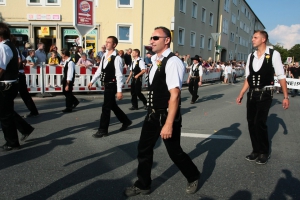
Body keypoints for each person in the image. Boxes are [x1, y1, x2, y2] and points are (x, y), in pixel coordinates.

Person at [124, 27, 200, 197]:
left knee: (174, 152)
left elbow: (175, 95)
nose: (151, 40)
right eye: (151, 37)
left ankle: (193, 175)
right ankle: (143, 184)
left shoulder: (173, 62)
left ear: (167, 40)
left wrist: (168, 124)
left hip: (166, 115)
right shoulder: (156, 59)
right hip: (152, 114)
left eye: (156, 37)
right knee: (143, 149)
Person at [236, 30, 289, 165]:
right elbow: (248, 78)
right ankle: (255, 150)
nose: (252, 39)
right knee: (251, 122)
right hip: (252, 93)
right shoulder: (251, 56)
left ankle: (264, 151)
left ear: (263, 39)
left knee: (260, 122)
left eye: (255, 37)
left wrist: (285, 96)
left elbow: (281, 76)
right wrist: (241, 93)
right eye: (253, 37)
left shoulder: (273, 54)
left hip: (266, 93)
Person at [88, 36, 132, 138]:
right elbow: (100, 70)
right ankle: (126, 121)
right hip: (106, 84)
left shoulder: (117, 58)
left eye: (109, 42)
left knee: (106, 107)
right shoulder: (104, 56)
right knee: (112, 105)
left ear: (114, 45)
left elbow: (119, 75)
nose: (106, 43)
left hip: (112, 85)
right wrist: (92, 81)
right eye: (106, 41)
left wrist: (119, 91)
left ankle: (103, 130)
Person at [0, 22, 34, 151]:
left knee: (5, 115)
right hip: (11, 83)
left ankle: (12, 142)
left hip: (5, 85)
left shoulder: (3, 47)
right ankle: (25, 129)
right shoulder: (10, 46)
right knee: (6, 112)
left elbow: (1, 69)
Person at [61, 48, 79, 113]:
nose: (61, 55)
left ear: (64, 55)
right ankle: (75, 101)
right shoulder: (67, 61)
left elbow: (70, 73)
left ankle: (69, 107)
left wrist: (67, 84)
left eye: (62, 54)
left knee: (68, 93)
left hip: (68, 80)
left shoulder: (70, 62)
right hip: (66, 79)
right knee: (65, 92)